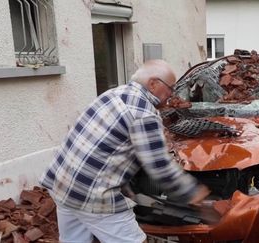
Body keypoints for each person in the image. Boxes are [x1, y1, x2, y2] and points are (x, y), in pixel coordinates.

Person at [40, 60, 210, 243]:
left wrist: (126, 187)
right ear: (153, 84)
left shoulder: (114, 93)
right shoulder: (144, 113)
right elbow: (160, 167)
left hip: (61, 183)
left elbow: (108, 151)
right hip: (92, 195)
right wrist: (194, 194)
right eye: (171, 88)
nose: (172, 94)